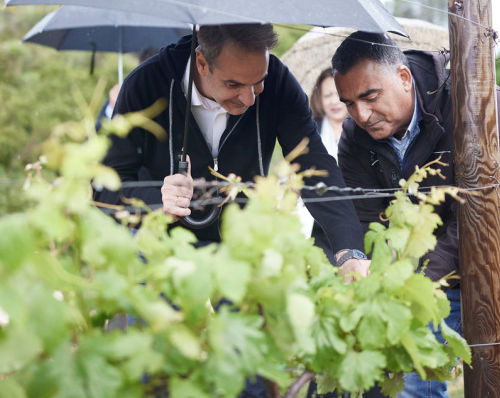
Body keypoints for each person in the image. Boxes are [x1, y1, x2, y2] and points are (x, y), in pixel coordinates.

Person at [330, 31, 500, 398]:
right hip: (436, 260)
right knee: (410, 383)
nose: (360, 114)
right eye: (348, 103)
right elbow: (371, 223)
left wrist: (414, 284)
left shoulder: (478, 104)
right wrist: (362, 264)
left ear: (403, 77)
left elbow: (486, 220)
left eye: (369, 96)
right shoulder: (354, 138)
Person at [94, 23, 371, 274]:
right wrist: (156, 201)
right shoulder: (145, 84)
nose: (249, 99)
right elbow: (107, 184)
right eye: (233, 84)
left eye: (258, 82)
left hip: (243, 246)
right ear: (202, 63)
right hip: (160, 247)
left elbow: (315, 164)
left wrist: (348, 249)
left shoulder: (278, 81)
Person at [95, 46, 160, 132]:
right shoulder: (123, 95)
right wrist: (112, 108)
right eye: (143, 71)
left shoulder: (169, 100)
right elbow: (99, 132)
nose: (146, 78)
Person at [310, 68, 349, 157]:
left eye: (339, 94)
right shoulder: (310, 130)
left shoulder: (365, 128)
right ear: (319, 98)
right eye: (328, 95)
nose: (334, 101)